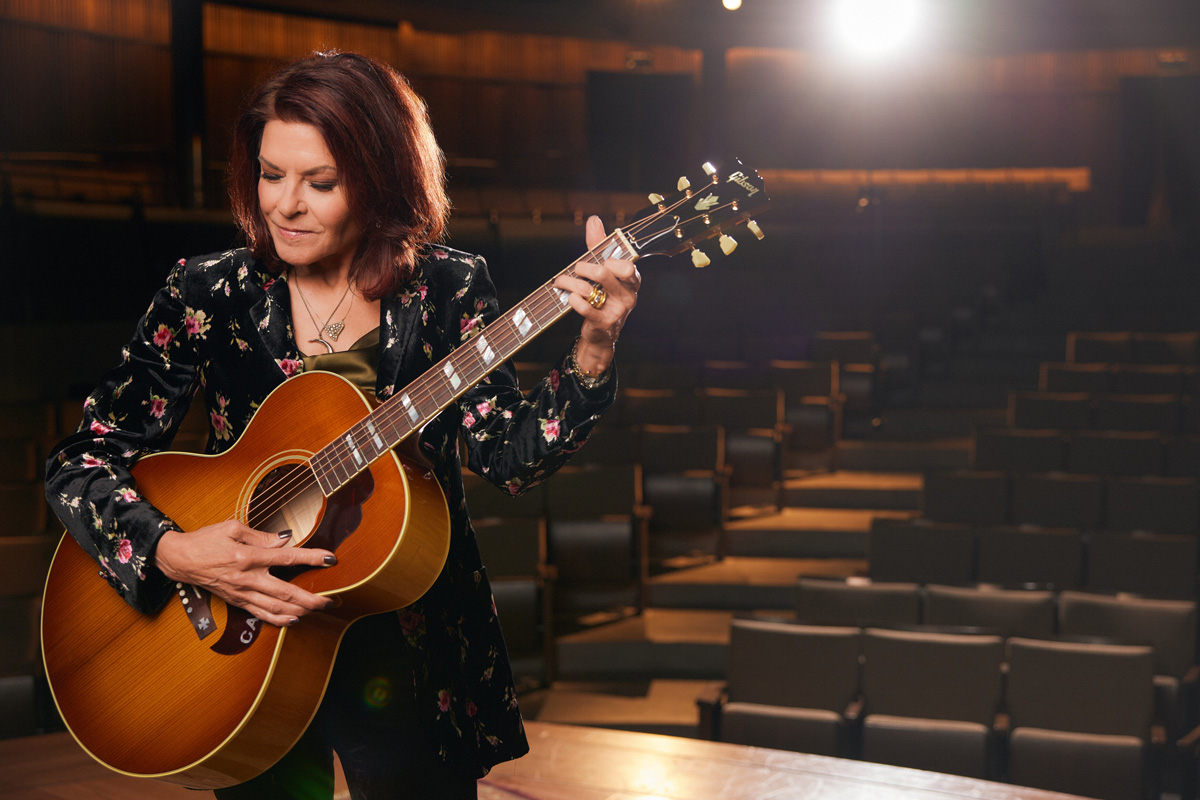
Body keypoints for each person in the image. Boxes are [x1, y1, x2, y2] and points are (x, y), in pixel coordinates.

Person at [44, 50, 639, 799]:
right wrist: (173, 552)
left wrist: (595, 342)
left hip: (409, 650)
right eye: (270, 174)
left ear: (380, 179)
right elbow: (82, 460)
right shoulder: (209, 291)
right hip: (238, 651)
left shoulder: (449, 288)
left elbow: (511, 455)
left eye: (320, 183)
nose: (284, 205)